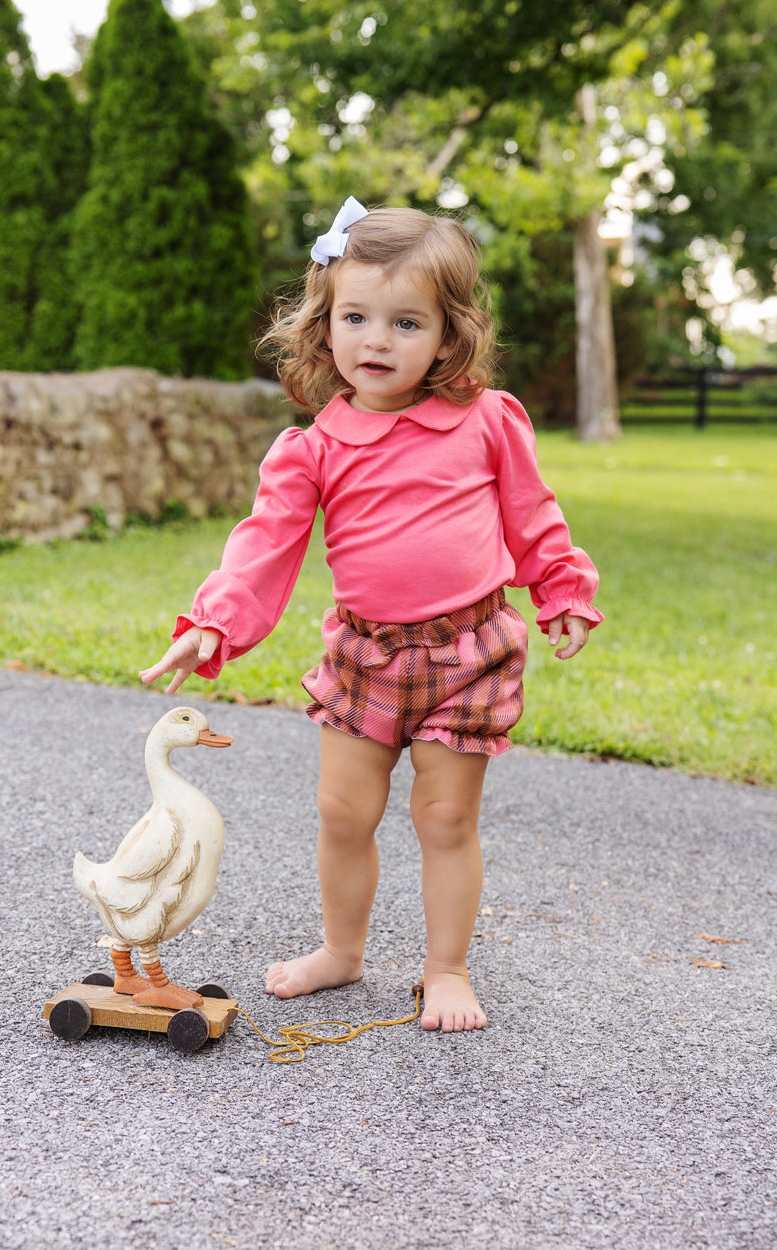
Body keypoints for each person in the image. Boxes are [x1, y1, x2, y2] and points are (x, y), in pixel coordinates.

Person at [140, 198, 603, 1033]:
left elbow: (534, 517)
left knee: (446, 816)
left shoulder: (485, 420)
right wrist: (215, 622)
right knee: (343, 812)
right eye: (356, 317)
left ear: (448, 333)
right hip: (364, 654)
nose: (377, 340)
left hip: (469, 651)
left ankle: (447, 968)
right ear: (327, 326)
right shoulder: (312, 446)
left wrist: (562, 590)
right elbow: (264, 544)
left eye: (405, 322)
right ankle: (342, 952)